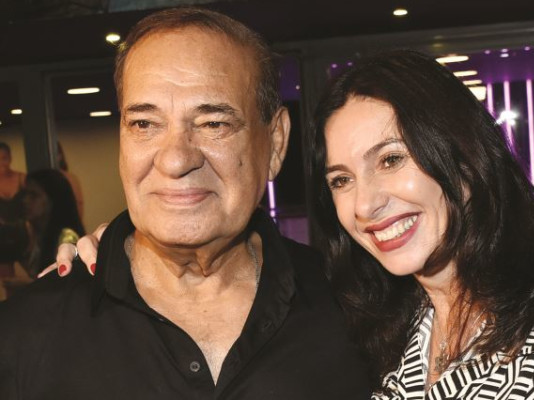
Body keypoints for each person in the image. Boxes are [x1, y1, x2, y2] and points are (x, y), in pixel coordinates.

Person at [52, 49, 534, 398]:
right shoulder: (398, 317)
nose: (366, 205)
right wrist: (129, 243)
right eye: (342, 179)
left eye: (391, 159)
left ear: (463, 158)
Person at [0, 7, 370, 399]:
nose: (176, 160)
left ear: (275, 143)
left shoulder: (360, 307)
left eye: (214, 124)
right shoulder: (25, 333)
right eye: (144, 124)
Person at [20, 169, 85, 277]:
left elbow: (69, 281)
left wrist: (26, 283)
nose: (25, 200)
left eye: (33, 195)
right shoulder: (34, 233)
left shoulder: (67, 237)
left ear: (52, 199)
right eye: (25, 194)